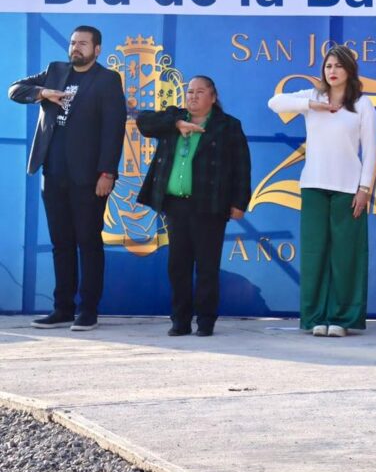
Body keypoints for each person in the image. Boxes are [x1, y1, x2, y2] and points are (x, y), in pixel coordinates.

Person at [9, 25, 126, 331]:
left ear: (97, 49)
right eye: (73, 43)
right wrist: (42, 92)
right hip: (53, 173)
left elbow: (113, 131)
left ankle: (88, 311)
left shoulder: (107, 80)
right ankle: (62, 308)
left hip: (89, 178)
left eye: (83, 44)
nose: (76, 48)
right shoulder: (55, 70)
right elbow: (14, 89)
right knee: (61, 244)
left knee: (88, 243)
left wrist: (107, 173)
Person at [268, 45, 376, 337]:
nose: (332, 71)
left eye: (338, 66)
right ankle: (315, 316)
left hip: (348, 188)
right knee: (315, 253)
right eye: (328, 66)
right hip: (314, 185)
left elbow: (370, 152)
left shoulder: (363, 105)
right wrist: (311, 106)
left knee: (346, 256)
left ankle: (342, 318)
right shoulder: (312, 97)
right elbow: (274, 102)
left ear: (349, 71)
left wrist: (364, 188)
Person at [137, 76, 252, 337]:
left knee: (207, 266)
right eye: (189, 91)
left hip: (209, 205)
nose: (193, 96)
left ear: (213, 96)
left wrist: (239, 202)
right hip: (176, 205)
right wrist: (176, 123)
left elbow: (242, 167)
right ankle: (180, 320)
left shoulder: (228, 126)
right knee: (178, 266)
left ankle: (206, 321)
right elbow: (143, 121)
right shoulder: (173, 118)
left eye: (200, 92)